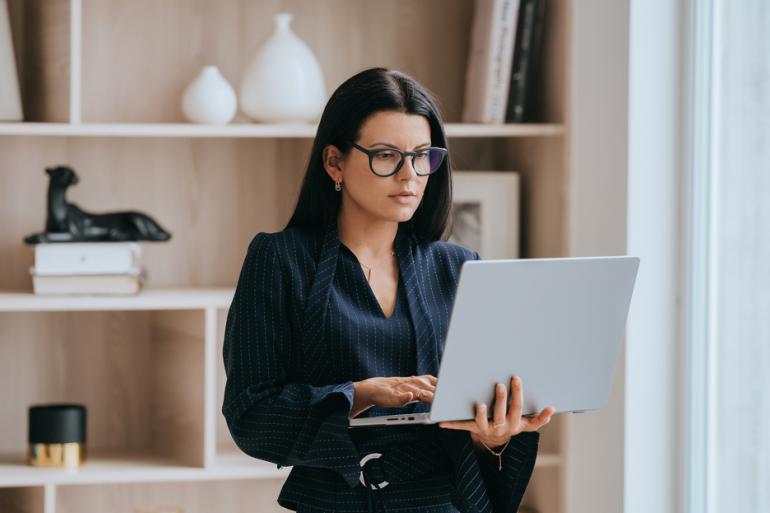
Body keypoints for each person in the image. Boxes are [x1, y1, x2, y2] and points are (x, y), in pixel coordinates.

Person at [222, 67, 555, 513]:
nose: (410, 175)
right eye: (385, 156)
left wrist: (491, 438)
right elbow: (251, 415)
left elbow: (478, 432)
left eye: (422, 156)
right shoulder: (279, 260)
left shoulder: (460, 268)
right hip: (336, 502)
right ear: (334, 162)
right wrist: (360, 393)